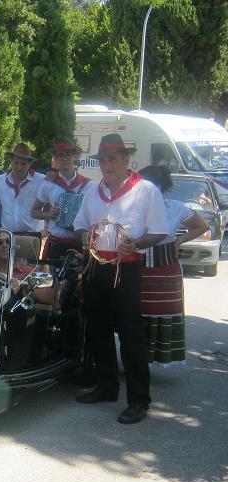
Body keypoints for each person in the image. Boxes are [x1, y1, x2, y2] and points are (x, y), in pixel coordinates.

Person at [73, 133, 168, 424]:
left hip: (126, 266)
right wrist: (85, 236)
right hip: (95, 266)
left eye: (113, 159)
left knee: (130, 333)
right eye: (102, 160)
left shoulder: (147, 190)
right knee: (97, 327)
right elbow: (79, 225)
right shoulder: (92, 191)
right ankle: (106, 386)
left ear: (127, 161)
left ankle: (139, 400)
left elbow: (160, 231)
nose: (106, 165)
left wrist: (137, 243)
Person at [138, 165, 209, 366]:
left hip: (166, 268)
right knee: (136, 313)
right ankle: (136, 361)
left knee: (162, 311)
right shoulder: (134, 209)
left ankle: (155, 359)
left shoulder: (175, 208)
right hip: (138, 267)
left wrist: (179, 241)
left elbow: (202, 226)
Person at [31, 138, 96, 259]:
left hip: (79, 243)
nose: (65, 158)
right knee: (53, 277)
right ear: (55, 158)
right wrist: (48, 214)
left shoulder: (89, 185)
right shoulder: (48, 183)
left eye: (69, 154)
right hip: (56, 242)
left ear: (75, 157)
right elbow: (33, 212)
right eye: (60, 154)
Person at [0, 143, 46, 235]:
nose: (19, 167)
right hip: (7, 236)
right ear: (11, 161)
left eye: (23, 164)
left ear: (30, 163)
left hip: (32, 236)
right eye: (16, 163)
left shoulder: (41, 180)